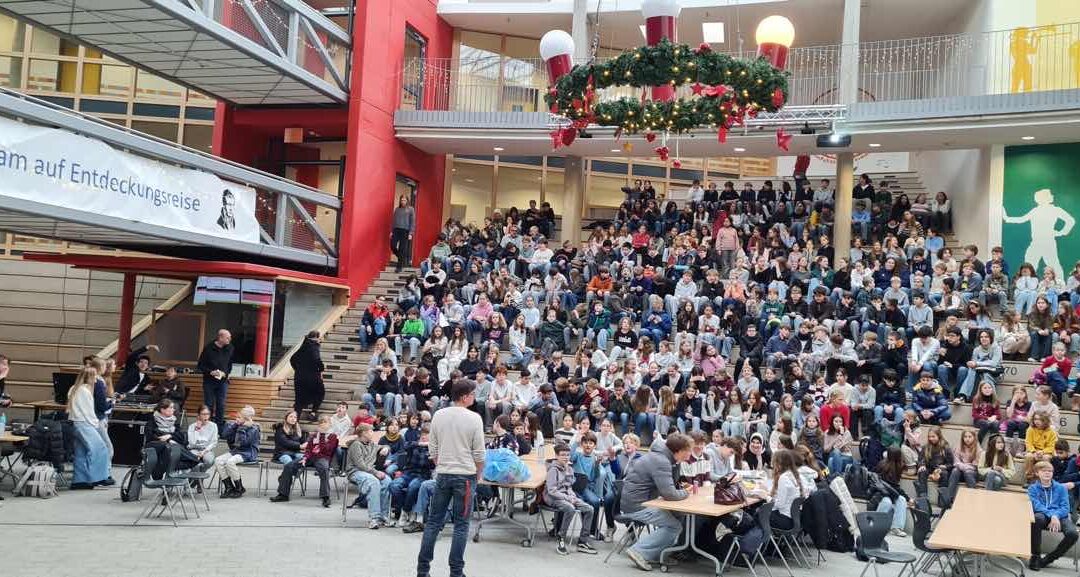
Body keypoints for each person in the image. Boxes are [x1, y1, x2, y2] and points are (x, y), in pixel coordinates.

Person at [416, 380, 486, 577]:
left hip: (443, 474)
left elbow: (433, 447)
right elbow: (479, 454)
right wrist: (478, 474)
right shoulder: (474, 418)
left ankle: (423, 570)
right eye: (472, 394)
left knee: (433, 522)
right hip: (465, 476)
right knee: (461, 525)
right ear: (464, 396)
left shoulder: (438, 414)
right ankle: (456, 572)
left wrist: (442, 464)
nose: (474, 397)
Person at [621, 433, 691, 571]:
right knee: (674, 527)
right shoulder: (661, 461)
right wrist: (686, 493)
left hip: (642, 501)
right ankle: (639, 551)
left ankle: (660, 554)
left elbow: (672, 484)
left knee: (679, 514)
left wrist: (676, 464)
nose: (689, 455)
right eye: (687, 451)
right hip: (637, 506)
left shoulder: (663, 458)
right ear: (679, 450)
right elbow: (670, 494)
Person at [270, 415, 338, 507]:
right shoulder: (314, 435)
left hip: (323, 457)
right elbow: (309, 449)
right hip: (310, 457)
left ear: (330, 424)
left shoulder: (333, 437)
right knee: (289, 465)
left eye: (325, 422)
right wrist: (305, 458)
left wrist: (322, 435)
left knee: (324, 469)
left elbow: (326, 450)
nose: (323, 424)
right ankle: (283, 494)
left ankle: (325, 497)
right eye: (321, 422)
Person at [546, 442, 599, 556]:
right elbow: (551, 491)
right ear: (556, 456)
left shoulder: (569, 468)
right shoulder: (553, 470)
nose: (566, 457)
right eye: (563, 455)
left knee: (589, 509)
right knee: (569, 508)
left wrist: (572, 496)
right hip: (554, 498)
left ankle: (583, 541)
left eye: (567, 455)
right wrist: (568, 498)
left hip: (567, 496)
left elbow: (569, 486)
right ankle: (561, 537)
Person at [1027, 460, 1079, 571]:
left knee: (1073, 533)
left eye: (1050, 471)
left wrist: (1056, 516)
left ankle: (1048, 559)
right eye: (1044, 471)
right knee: (1037, 518)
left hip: (1061, 517)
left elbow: (1065, 508)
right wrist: (1052, 516)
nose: (1047, 473)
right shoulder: (1032, 489)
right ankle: (1035, 556)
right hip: (1043, 516)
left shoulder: (1061, 488)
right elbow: (1037, 506)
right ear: (1037, 473)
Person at [67, 366, 111, 489]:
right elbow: (88, 412)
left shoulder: (74, 389)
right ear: (90, 377)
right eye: (95, 377)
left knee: (81, 452)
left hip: (75, 422)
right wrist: (96, 423)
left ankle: (79, 480)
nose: (96, 380)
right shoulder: (85, 391)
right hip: (84, 423)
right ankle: (98, 478)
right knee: (100, 448)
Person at [347, 422, 393, 529]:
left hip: (369, 472)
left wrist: (386, 448)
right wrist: (376, 472)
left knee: (387, 481)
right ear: (364, 433)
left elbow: (384, 446)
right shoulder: (356, 445)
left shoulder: (372, 444)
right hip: (355, 471)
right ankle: (374, 518)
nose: (373, 433)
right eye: (371, 431)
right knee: (373, 481)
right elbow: (360, 465)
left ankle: (383, 516)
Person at [214, 405, 261, 498]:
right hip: (236, 451)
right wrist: (235, 425)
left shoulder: (254, 428)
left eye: (239, 417)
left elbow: (244, 443)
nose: (237, 419)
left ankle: (239, 488)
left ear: (246, 418)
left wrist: (242, 429)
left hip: (249, 452)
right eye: (237, 417)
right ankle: (229, 487)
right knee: (218, 460)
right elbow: (224, 435)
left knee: (230, 462)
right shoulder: (237, 425)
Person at [197, 329, 234, 427]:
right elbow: (200, 365)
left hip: (223, 381)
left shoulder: (230, 348)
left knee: (221, 404)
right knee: (209, 404)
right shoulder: (208, 348)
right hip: (209, 381)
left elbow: (230, 364)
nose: (230, 339)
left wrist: (227, 373)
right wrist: (210, 372)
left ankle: (219, 426)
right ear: (220, 337)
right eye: (227, 337)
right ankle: (207, 424)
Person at [769, 449, 810, 530]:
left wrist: (767, 497)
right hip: (798, 518)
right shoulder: (797, 475)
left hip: (786, 520)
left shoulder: (783, 478)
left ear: (779, 464)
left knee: (759, 513)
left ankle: (766, 541)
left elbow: (780, 504)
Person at [290, 331, 325, 421]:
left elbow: (292, 359)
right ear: (316, 337)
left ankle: (295, 420)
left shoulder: (304, 345)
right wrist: (321, 369)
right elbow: (317, 359)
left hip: (299, 377)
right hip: (312, 376)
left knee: (299, 399)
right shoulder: (314, 346)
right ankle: (313, 412)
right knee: (320, 392)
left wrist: (297, 369)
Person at [186, 405, 218, 471]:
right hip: (194, 449)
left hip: (206, 449)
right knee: (193, 460)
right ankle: (195, 479)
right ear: (199, 415)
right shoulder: (192, 426)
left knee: (209, 461)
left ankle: (200, 475)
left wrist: (203, 452)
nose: (206, 416)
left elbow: (214, 442)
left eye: (208, 414)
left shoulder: (213, 426)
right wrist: (197, 429)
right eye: (203, 414)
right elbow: (192, 442)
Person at [392, 194, 416, 272]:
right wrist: (391, 231)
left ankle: (399, 267)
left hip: (405, 231)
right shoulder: (397, 209)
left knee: (402, 249)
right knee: (392, 245)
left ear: (407, 201)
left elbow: (412, 222)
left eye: (404, 200)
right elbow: (393, 221)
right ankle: (402, 258)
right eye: (402, 200)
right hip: (396, 230)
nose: (403, 201)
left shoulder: (411, 209)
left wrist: (410, 233)